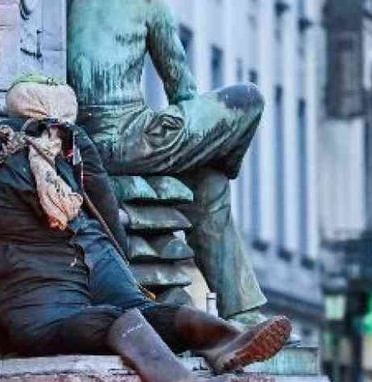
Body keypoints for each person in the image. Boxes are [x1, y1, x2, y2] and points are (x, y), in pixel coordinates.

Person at [0, 76, 291, 382]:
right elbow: (103, 205)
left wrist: (116, 263)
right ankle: (195, 362)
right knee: (122, 315)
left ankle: (215, 351)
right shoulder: (26, 142)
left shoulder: (35, 142)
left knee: (132, 314)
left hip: (69, 272)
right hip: (56, 285)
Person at [67, 0, 271, 322]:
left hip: (82, 143)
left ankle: (243, 311)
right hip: (131, 139)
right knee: (249, 99)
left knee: (208, 182)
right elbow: (181, 89)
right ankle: (242, 311)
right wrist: (208, 149)